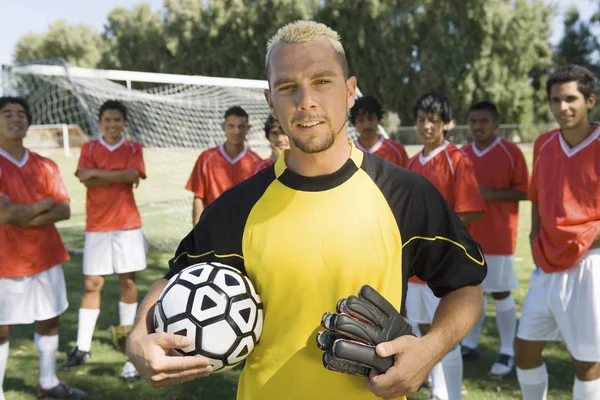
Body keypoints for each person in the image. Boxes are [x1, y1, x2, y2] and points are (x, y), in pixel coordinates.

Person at [125, 20, 487, 400]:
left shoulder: (405, 194)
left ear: (349, 91)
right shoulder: (239, 206)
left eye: (321, 81)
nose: (306, 101)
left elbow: (465, 286)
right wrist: (138, 336)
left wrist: (429, 350)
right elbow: (178, 277)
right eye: (287, 87)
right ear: (270, 101)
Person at [514, 65, 600, 400]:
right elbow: (537, 195)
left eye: (570, 99)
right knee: (525, 349)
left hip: (588, 265)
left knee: (587, 362)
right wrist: (535, 237)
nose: (562, 107)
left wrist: (587, 239)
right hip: (546, 265)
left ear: (589, 100)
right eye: (555, 100)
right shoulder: (544, 143)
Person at [0, 96, 86, 399]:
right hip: (5, 259)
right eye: (7, 113)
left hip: (46, 255)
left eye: (21, 113)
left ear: (29, 121)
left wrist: (20, 213)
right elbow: (3, 215)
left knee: (50, 319)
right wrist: (44, 204)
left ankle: (48, 382)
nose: (15, 119)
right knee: (1, 328)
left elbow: (64, 210)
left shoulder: (45, 165)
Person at [405, 92, 485, 400]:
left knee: (445, 336)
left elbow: (473, 209)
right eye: (422, 120)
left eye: (433, 121)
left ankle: (449, 394)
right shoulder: (412, 162)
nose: (426, 126)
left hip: (443, 266)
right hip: (415, 266)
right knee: (424, 331)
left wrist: (439, 236)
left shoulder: (456, 159)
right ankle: (436, 388)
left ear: (446, 124)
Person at [61, 101, 146, 381]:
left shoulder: (133, 148)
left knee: (128, 281)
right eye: (107, 119)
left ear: (124, 123)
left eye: (117, 119)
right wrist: (116, 177)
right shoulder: (89, 149)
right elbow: (86, 178)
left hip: (127, 225)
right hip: (97, 225)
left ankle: (127, 343)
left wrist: (99, 174)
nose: (112, 124)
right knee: (92, 283)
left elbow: (132, 175)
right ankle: (83, 346)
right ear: (100, 122)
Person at [461, 101, 529, 377]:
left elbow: (524, 192)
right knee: (470, 289)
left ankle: (507, 350)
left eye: (484, 121)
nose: (478, 126)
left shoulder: (511, 153)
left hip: (499, 235)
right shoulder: (462, 153)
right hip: (466, 236)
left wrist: (489, 193)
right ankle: (470, 342)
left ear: (496, 123)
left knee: (500, 292)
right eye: (473, 121)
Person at [186, 106, 262, 225]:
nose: (236, 131)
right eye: (231, 126)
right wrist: (197, 232)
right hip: (212, 228)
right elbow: (198, 197)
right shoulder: (206, 158)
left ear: (248, 128)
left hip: (243, 231)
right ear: (223, 127)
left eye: (241, 126)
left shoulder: (257, 163)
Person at [350, 95, 408, 167]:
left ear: (379, 119)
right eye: (361, 120)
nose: (367, 125)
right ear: (354, 123)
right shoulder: (347, 153)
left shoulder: (397, 151)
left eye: (371, 119)